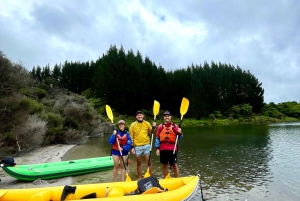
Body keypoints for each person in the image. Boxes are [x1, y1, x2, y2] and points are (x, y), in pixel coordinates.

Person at [155, 111, 183, 178]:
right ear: (164, 117)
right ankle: (166, 179)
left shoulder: (175, 126)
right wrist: (157, 149)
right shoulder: (160, 127)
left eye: (168, 116)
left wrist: (180, 132)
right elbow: (157, 138)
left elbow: (180, 137)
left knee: (174, 165)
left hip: (172, 148)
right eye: (165, 116)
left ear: (170, 117)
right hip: (163, 148)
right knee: (164, 165)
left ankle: (177, 179)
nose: (167, 117)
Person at [129, 110, 155, 180]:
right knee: (139, 162)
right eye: (138, 115)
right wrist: (132, 147)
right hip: (137, 146)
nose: (140, 116)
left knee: (149, 161)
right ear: (136, 117)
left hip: (146, 145)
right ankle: (139, 177)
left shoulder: (147, 123)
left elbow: (150, 133)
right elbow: (131, 137)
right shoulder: (132, 125)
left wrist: (153, 127)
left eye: (141, 115)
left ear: (143, 116)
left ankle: (150, 176)